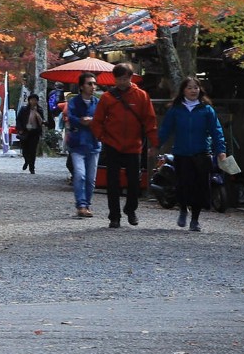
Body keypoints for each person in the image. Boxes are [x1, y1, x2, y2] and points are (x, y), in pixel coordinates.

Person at [89, 63, 157, 228]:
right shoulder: (107, 97)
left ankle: (130, 209)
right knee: (112, 183)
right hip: (112, 143)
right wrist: (101, 137)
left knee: (134, 182)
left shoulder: (141, 96)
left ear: (131, 77)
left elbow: (150, 120)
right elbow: (97, 120)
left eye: (124, 78)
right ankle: (114, 216)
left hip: (134, 145)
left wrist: (154, 143)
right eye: (118, 78)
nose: (121, 82)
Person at [161, 76, 228, 231]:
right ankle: (183, 209)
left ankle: (195, 219)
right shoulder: (176, 109)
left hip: (201, 152)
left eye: (196, 87)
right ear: (183, 90)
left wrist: (221, 150)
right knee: (183, 184)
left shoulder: (206, 109)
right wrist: (156, 145)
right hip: (181, 152)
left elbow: (216, 130)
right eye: (189, 87)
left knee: (200, 186)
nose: (193, 90)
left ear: (200, 90)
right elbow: (165, 129)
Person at [63, 74, 101, 218]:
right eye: (89, 84)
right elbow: (69, 117)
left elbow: (103, 118)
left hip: (93, 143)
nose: (93, 87)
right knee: (80, 174)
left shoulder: (98, 103)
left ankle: (87, 204)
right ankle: (81, 205)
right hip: (77, 143)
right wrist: (80, 120)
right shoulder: (73, 102)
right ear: (81, 86)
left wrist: (93, 121)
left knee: (91, 179)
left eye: (94, 84)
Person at [16, 93, 47, 173]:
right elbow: (18, 119)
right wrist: (19, 129)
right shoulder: (24, 109)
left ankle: (32, 168)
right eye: (32, 100)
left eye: (35, 100)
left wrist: (37, 113)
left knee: (32, 150)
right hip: (25, 131)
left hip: (35, 132)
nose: (33, 102)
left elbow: (42, 121)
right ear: (29, 101)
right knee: (24, 150)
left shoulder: (39, 110)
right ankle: (27, 161)